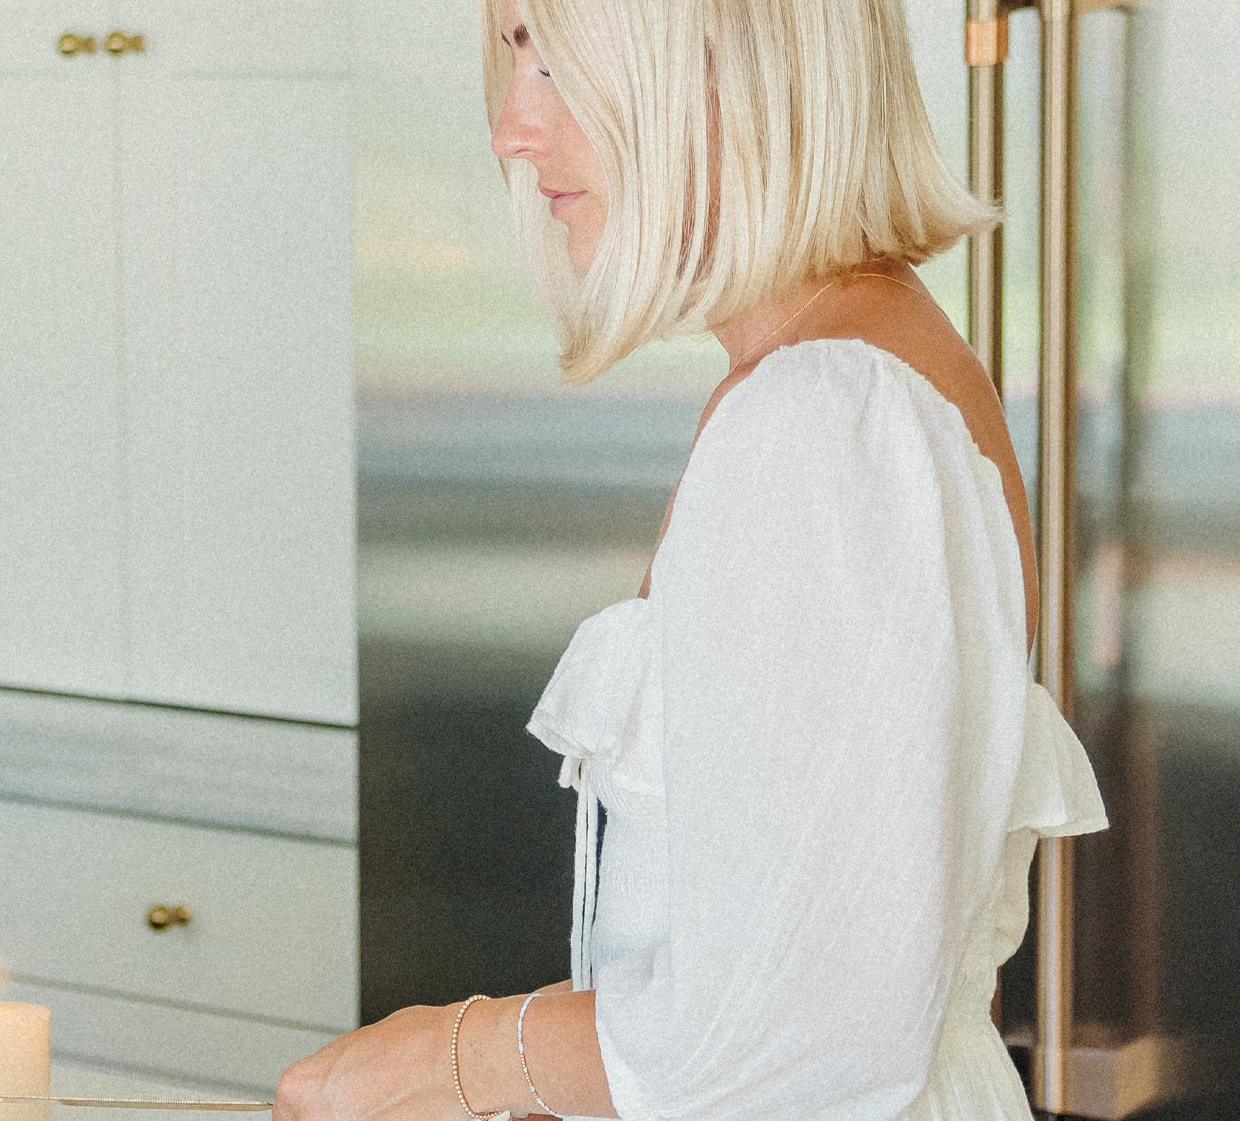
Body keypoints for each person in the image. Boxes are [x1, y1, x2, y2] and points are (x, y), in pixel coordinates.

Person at [272, 1, 1109, 1118]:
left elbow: (805, 1033)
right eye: (513, 54)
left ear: (736, 68)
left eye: (557, 59)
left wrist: (454, 1052)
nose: (510, 132)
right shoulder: (850, 371)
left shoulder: (820, 419)